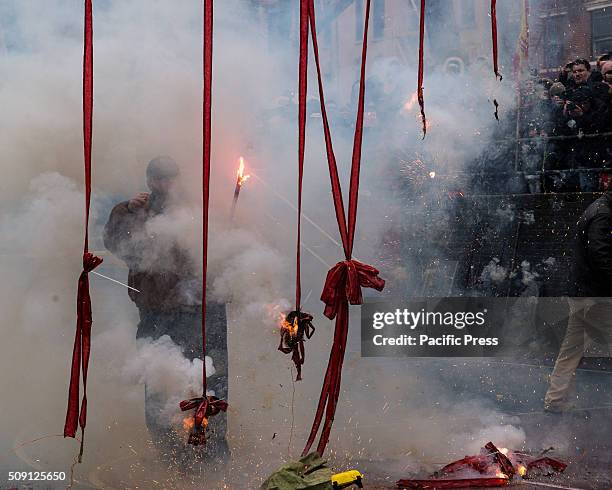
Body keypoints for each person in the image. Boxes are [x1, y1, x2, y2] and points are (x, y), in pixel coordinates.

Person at [103, 156, 229, 469]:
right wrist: (126, 212)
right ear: (149, 181)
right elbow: (115, 244)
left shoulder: (195, 208)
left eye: (168, 179)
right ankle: (170, 455)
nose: (163, 186)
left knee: (209, 382)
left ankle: (213, 454)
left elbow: (222, 248)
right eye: (157, 179)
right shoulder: (135, 211)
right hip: (157, 313)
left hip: (200, 311)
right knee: (158, 381)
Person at [544, 191, 612, 413]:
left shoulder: (597, 208)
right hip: (595, 295)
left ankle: (556, 399)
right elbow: (600, 254)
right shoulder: (604, 214)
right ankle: (556, 400)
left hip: (582, 292)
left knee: (571, 348)